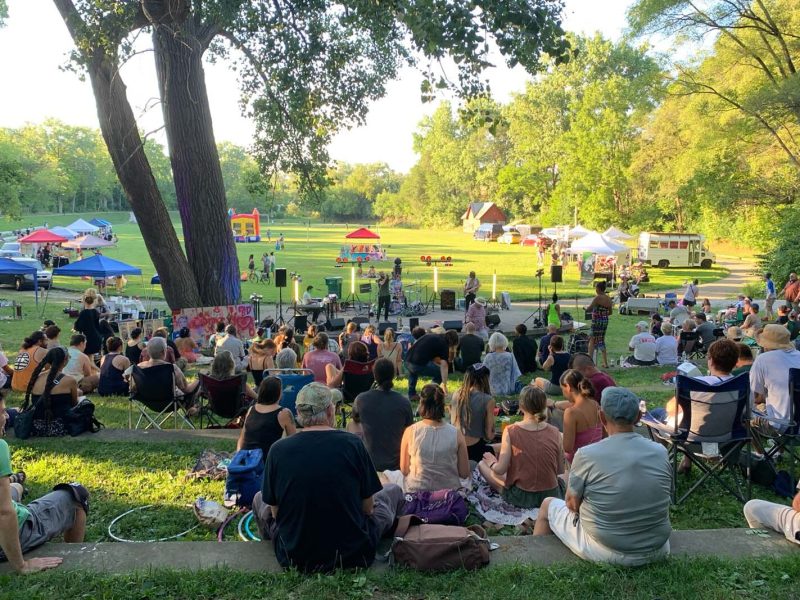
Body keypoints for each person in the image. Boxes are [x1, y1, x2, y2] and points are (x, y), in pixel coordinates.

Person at [252, 382, 404, 572]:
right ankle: (393, 539)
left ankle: (270, 541)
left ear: (298, 414)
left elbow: (275, 513)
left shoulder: (278, 450)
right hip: (352, 553)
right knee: (392, 491)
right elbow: (368, 508)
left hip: (294, 554)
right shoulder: (353, 444)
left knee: (259, 498)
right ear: (331, 411)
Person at [533, 387, 672, 566]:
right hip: (657, 547)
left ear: (602, 417)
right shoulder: (660, 451)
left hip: (606, 550)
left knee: (547, 505)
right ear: (638, 417)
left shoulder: (586, 455)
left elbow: (571, 504)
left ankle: (533, 561)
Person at [0, 396, 88, 573]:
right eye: (2, 412)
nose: (7, 416)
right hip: (6, 541)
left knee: (14, 489)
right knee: (77, 493)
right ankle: (75, 560)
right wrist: (21, 565)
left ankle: (14, 482)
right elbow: (4, 513)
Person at [478, 386, 563, 508]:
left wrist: (492, 463)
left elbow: (500, 470)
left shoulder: (511, 430)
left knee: (482, 465)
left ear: (521, 406)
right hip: (552, 495)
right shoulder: (555, 432)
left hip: (522, 497)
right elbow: (560, 470)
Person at [400, 384, 469, 492]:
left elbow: (404, 470)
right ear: (442, 406)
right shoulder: (456, 433)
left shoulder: (410, 432)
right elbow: (464, 473)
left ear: (421, 404)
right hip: (449, 493)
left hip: (416, 491)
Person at [350, 359, 413, 471]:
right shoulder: (403, 402)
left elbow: (355, 419)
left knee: (352, 424)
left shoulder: (361, 399)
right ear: (393, 375)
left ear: (374, 375)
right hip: (396, 463)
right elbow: (410, 430)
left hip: (370, 462)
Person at [124, 337, 200, 408]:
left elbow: (131, 386)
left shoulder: (137, 368)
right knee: (199, 382)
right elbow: (187, 390)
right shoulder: (172, 368)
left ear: (148, 352)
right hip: (170, 403)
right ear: (164, 352)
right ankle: (194, 409)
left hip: (147, 402)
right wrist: (199, 378)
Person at [750, 324, 800, 430]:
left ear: (766, 344)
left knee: (747, 412)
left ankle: (762, 446)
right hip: (797, 427)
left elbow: (755, 397)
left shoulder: (763, 359)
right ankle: (780, 446)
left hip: (781, 425)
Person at [25, 347, 79, 436]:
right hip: (61, 425)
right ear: (64, 361)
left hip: (37, 425)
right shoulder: (70, 380)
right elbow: (74, 403)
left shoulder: (37, 377)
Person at [237, 376, 295, 454]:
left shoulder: (251, 409)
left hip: (246, 459)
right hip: (267, 461)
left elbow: (242, 439)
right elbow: (293, 441)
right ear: (278, 393)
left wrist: (238, 457)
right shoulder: (284, 413)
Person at [451, 363, 496, 462]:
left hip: (455, 448)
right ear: (485, 379)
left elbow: (453, 423)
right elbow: (489, 436)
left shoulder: (456, 394)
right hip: (475, 450)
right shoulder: (488, 400)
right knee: (502, 447)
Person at [559, 370, 603, 464]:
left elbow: (567, 448)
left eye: (562, 390)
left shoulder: (571, 413)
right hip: (596, 457)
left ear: (568, 387)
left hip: (578, 462)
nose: (563, 394)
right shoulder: (595, 404)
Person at [404, 330, 459, 400]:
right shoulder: (444, 344)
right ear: (453, 342)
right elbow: (444, 365)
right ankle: (429, 392)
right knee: (440, 373)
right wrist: (444, 384)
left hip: (407, 360)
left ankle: (412, 394)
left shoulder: (435, 337)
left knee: (413, 372)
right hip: (416, 364)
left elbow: (432, 356)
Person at [586, 281, 612, 368]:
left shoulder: (597, 298)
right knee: (601, 340)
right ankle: (605, 363)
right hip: (604, 322)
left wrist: (586, 309)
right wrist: (603, 314)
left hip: (596, 322)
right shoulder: (608, 298)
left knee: (592, 340)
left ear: (598, 289)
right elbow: (610, 312)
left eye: (596, 288)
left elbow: (589, 309)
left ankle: (590, 362)